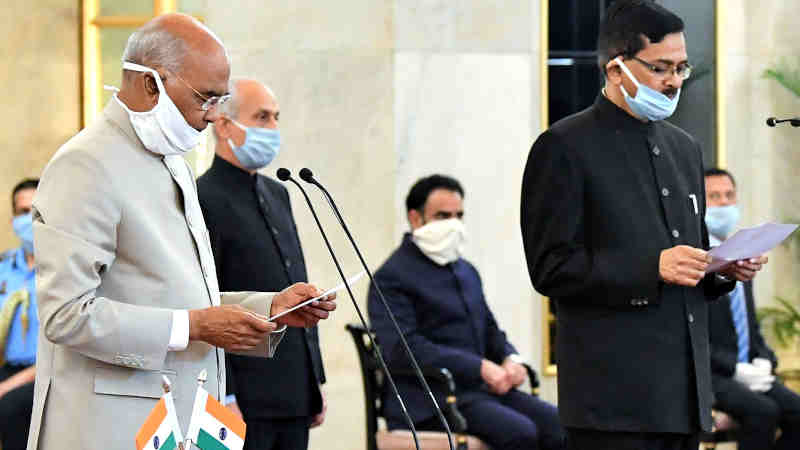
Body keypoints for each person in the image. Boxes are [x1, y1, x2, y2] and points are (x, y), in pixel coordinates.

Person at [27, 14, 336, 450]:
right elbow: (66, 315)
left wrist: (268, 308)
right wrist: (194, 326)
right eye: (205, 98)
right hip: (111, 427)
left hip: (180, 421)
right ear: (152, 84)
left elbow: (175, 296)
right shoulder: (86, 163)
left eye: (220, 100)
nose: (212, 115)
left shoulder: (172, 162)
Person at [520, 1, 767, 449]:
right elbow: (551, 268)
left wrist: (721, 270)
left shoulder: (684, 148)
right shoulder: (563, 147)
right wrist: (651, 267)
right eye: (660, 68)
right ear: (616, 69)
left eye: (681, 68)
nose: (673, 81)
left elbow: (683, 260)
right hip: (613, 404)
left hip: (684, 398)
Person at [368, 175, 564, 450]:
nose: (453, 224)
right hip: (430, 401)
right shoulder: (391, 277)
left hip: (481, 392)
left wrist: (510, 359)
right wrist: (480, 367)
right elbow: (403, 347)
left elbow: (489, 329)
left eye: (459, 215)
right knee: (520, 433)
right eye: (442, 216)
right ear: (415, 219)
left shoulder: (466, 270)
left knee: (560, 425)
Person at [198, 78, 327, 450]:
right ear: (223, 125)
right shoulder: (201, 197)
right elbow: (207, 301)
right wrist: (225, 396)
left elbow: (294, 282)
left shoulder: (279, 192)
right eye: (262, 117)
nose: (273, 128)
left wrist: (313, 380)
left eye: (276, 118)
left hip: (293, 391)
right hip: (243, 397)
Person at [704, 168, 800, 450]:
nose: (724, 203)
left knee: (797, 412)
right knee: (763, 412)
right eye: (714, 196)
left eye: (729, 195)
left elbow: (749, 326)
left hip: (748, 370)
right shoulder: (698, 259)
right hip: (712, 374)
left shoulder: (740, 253)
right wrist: (735, 368)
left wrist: (765, 360)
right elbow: (692, 333)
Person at [0, 179, 39, 450]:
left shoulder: (64, 270)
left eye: (35, 211)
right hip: (9, 368)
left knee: (9, 407)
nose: (28, 220)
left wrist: (5, 388)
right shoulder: (4, 267)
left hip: (48, 374)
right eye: (22, 212)